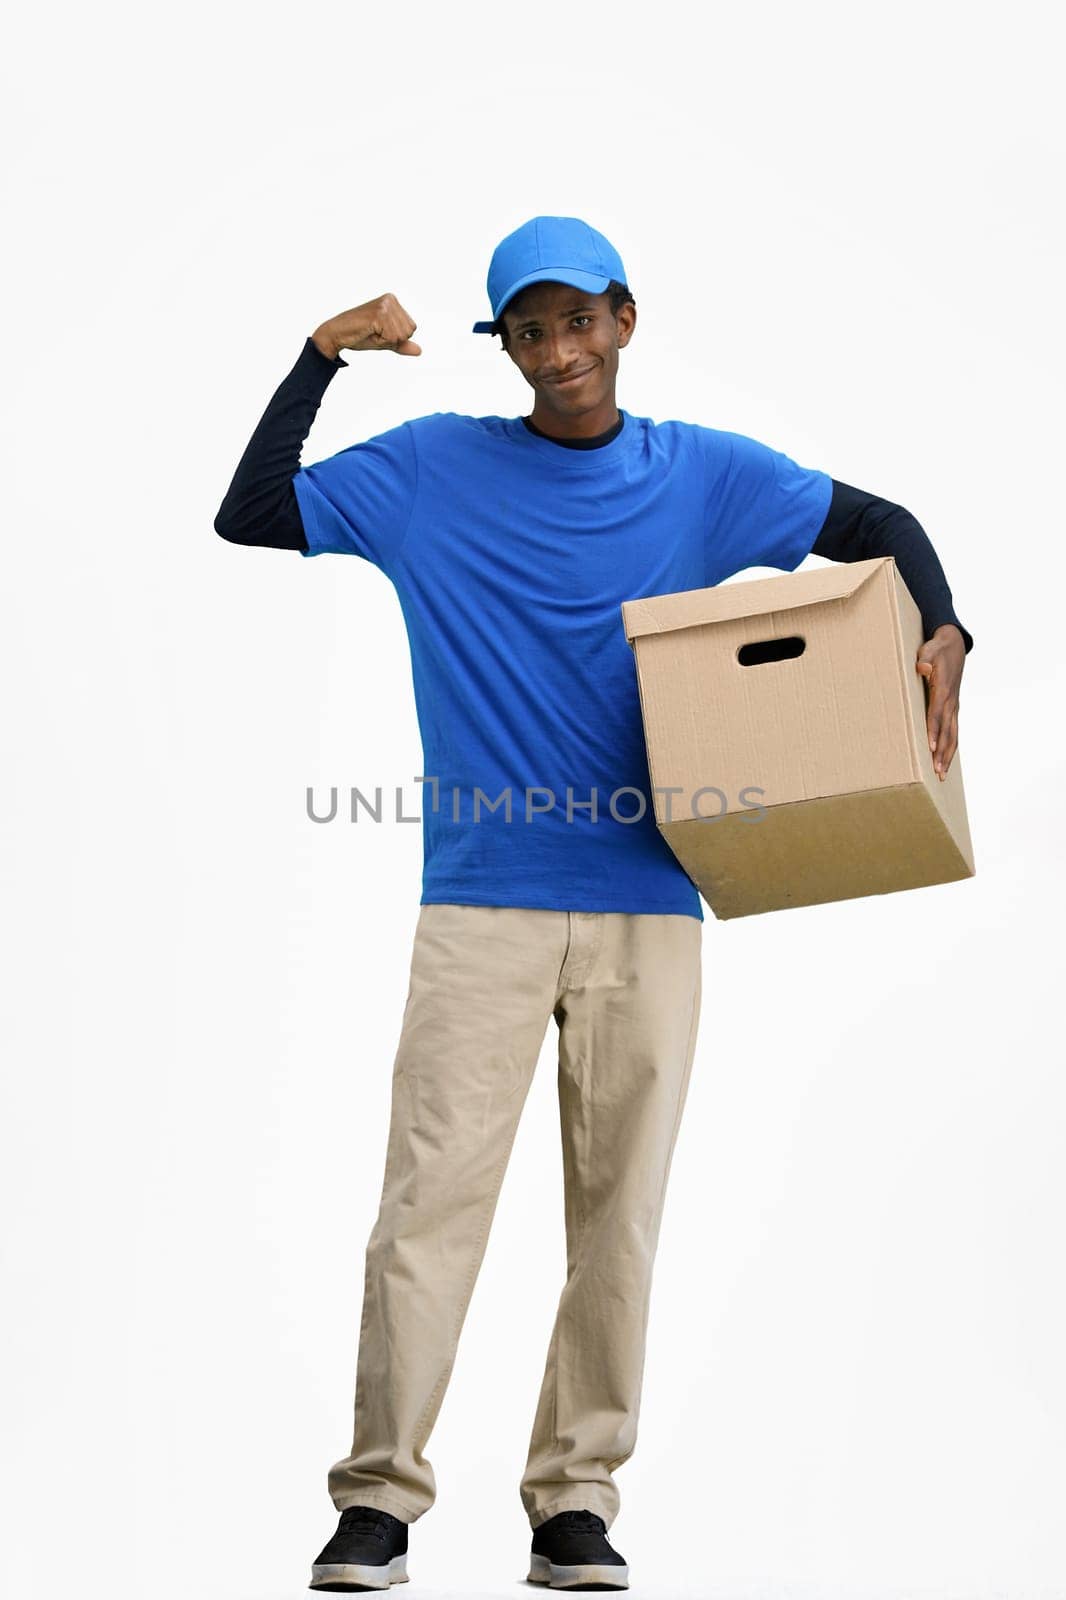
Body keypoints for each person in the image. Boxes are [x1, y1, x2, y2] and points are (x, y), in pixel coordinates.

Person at [214, 215, 972, 1592]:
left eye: (577, 320)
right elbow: (254, 510)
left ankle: (574, 1503)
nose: (558, 351)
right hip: (483, 902)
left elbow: (876, 526)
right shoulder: (433, 470)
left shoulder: (703, 478)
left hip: (649, 904)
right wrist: (319, 354)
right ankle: (378, 1502)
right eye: (527, 329)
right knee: (428, 1206)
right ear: (501, 346)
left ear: (621, 319)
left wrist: (944, 624)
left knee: (615, 1215)